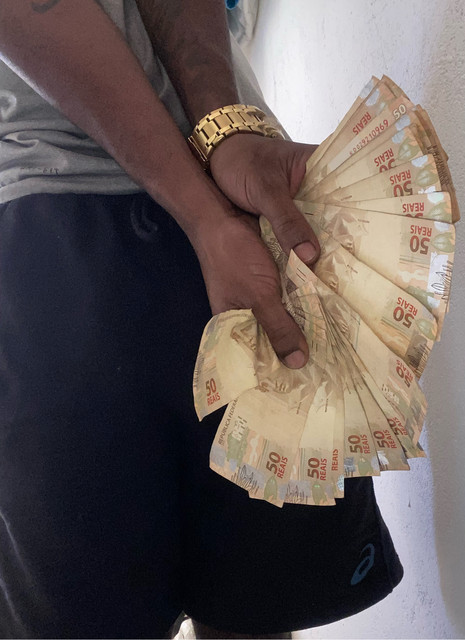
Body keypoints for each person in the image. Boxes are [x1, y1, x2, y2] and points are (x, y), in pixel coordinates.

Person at [0, 1, 404, 637]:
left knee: (256, 609)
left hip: (208, 207)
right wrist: (209, 191)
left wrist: (225, 136)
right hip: (78, 220)